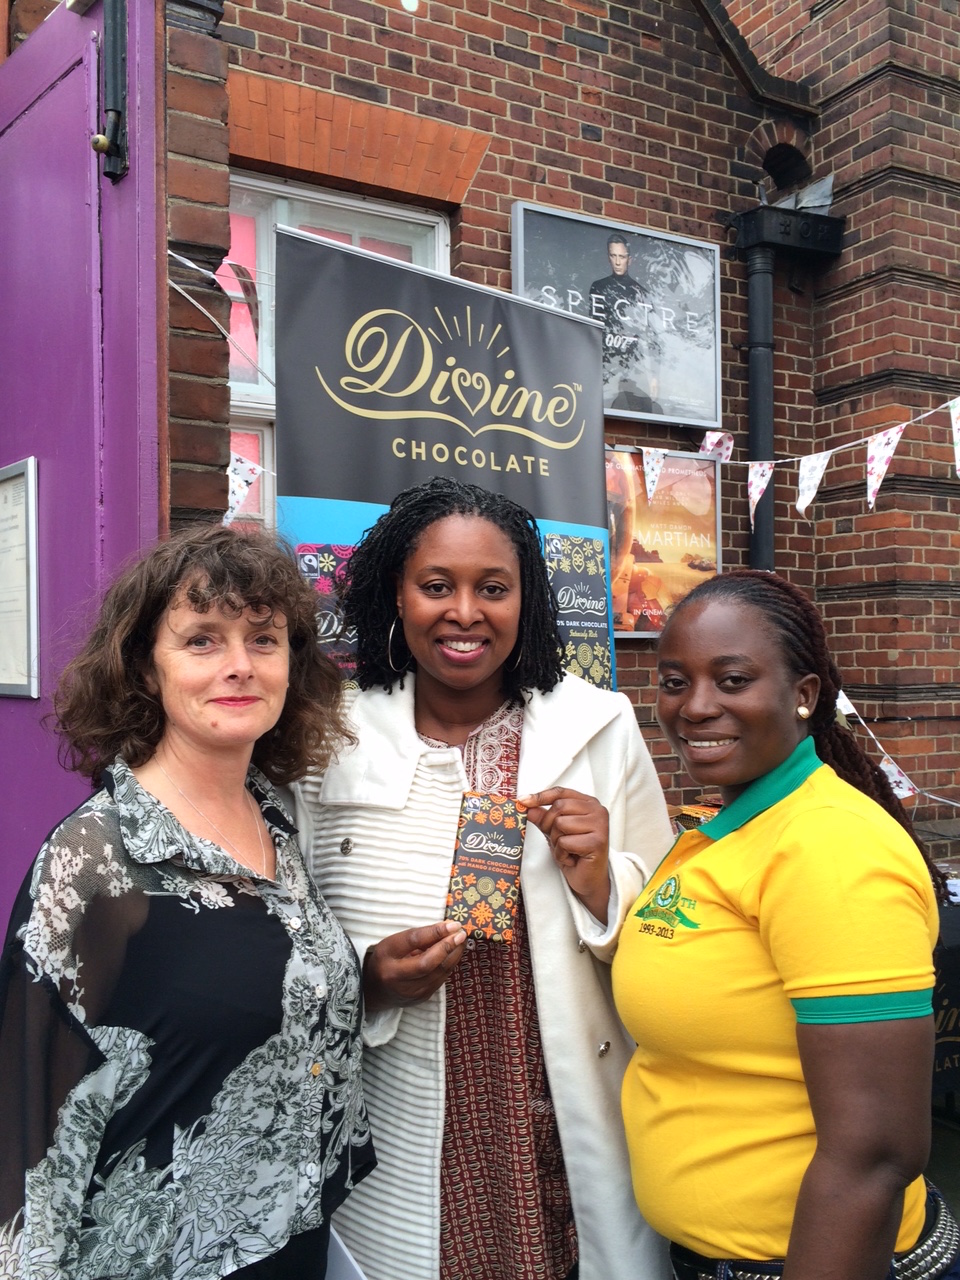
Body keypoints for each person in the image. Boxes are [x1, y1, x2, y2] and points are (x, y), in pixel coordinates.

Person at [296, 476, 674, 1280]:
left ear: (526, 601)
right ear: (396, 596)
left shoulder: (600, 727)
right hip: (399, 1110)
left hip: (554, 1102)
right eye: (436, 586)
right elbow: (291, 932)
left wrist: (605, 882)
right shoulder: (329, 738)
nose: (464, 612)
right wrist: (368, 980)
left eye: (492, 589)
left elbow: (669, 932)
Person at [0, 525, 375, 1280]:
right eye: (202, 640)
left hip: (295, 1242)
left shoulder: (274, 817)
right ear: (146, 668)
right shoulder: (96, 861)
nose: (239, 666)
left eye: (263, 641)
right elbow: (27, 1138)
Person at [612, 569, 960, 1280]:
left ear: (803, 696)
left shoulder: (830, 848)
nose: (696, 707)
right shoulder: (734, 828)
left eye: (732, 680)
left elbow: (876, 1154)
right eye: (675, 681)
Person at [588, 233, 660, 412]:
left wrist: (653, 376)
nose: (618, 262)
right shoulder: (599, 287)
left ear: (630, 259)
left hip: (635, 366)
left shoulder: (641, 293)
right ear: (608, 258)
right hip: (606, 366)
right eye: (613, 256)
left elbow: (651, 338)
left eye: (621, 256)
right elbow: (594, 329)